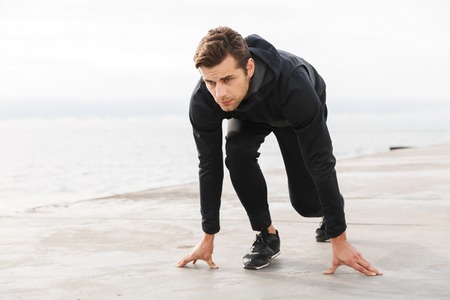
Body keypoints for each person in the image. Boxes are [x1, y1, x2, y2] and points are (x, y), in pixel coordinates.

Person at [176, 26, 381, 276]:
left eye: (228, 79)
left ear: (249, 68)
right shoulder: (204, 99)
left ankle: (330, 208)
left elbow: (321, 160)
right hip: (248, 114)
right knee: (236, 153)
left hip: (291, 112)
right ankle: (266, 235)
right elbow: (209, 165)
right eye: (210, 82)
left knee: (306, 204)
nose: (220, 93)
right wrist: (208, 236)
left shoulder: (294, 84)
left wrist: (339, 238)